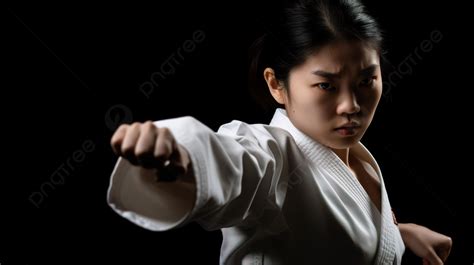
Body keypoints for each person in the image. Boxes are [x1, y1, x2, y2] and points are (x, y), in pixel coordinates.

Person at [107, 0, 452, 264]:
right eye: (326, 85)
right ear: (276, 84)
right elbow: (232, 166)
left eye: (366, 81)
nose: (351, 104)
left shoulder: (356, 160)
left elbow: (333, 231)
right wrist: (178, 156)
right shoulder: (271, 156)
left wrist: (398, 235)